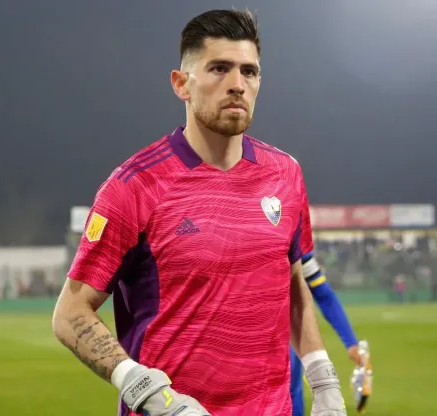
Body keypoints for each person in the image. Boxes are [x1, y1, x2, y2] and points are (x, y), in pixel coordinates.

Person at [52, 9, 346, 416]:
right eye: (219, 69)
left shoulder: (286, 174)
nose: (237, 85)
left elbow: (292, 283)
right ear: (181, 84)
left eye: (249, 72)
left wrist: (321, 376)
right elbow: (70, 313)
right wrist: (147, 391)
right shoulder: (135, 186)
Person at [292, 251, 363, 416]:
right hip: (238, 345)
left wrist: (350, 342)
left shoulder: (293, 242)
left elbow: (323, 294)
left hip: (284, 343)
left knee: (290, 390)